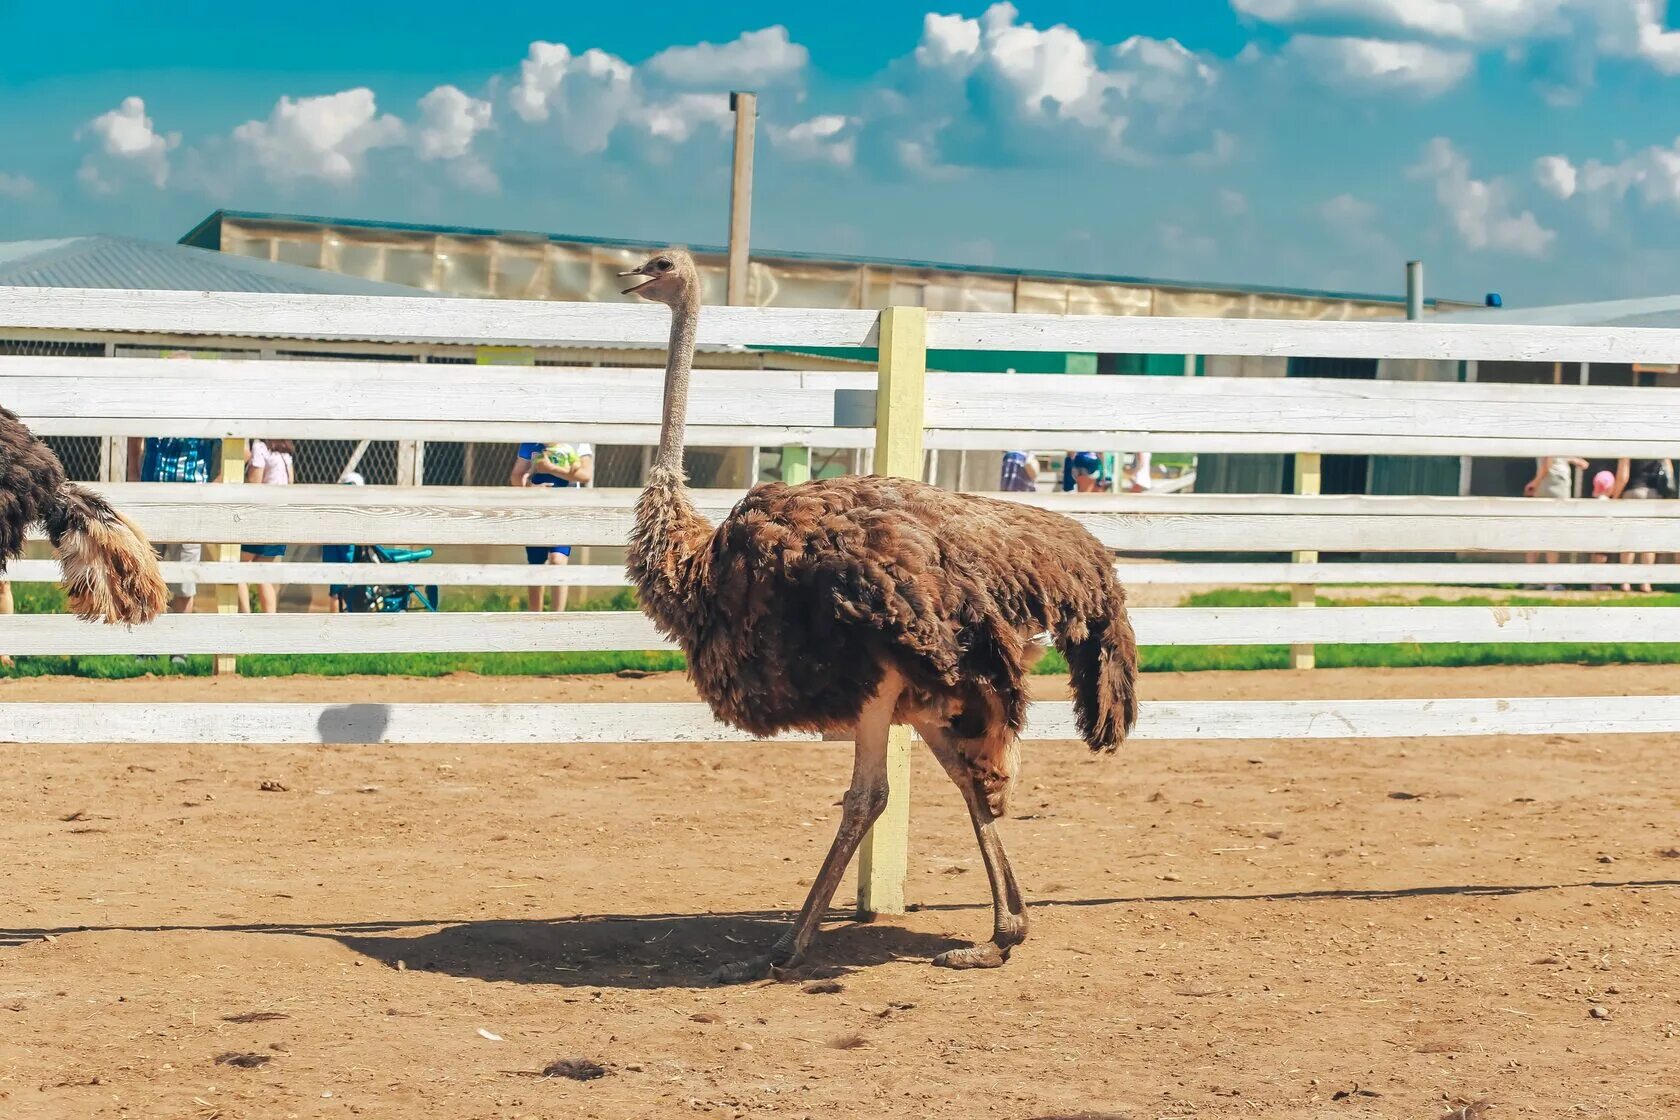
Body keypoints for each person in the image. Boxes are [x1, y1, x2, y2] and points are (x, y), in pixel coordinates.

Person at [135, 435, 220, 615]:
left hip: (189, 503)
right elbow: (134, 435)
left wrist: (210, 491)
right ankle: (146, 639)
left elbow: (240, 452)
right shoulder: (155, 408)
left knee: (184, 585)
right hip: (150, 498)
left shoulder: (206, 412)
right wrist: (132, 473)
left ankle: (178, 640)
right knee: (142, 580)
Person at [511, 439, 594, 611]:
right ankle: (536, 618)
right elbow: (516, 476)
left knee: (558, 560)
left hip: (565, 511)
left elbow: (586, 474)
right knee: (536, 562)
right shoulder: (531, 443)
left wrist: (552, 469)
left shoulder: (577, 442)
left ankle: (558, 617)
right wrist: (530, 487)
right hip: (537, 510)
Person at [239, 438, 295, 614]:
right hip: (281, 518)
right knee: (264, 575)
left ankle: (245, 618)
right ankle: (270, 621)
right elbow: (291, 482)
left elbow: (255, 482)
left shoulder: (260, 447)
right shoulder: (285, 453)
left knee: (238, 569)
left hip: (261, 517)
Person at [1522, 455, 1588, 585]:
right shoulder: (1552, 437)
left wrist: (1573, 459)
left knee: (1538, 531)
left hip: (1548, 483)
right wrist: (1535, 482)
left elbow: (1555, 457)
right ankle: (1551, 581)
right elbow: (1549, 460)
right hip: (1555, 484)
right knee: (1553, 533)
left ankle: (1530, 579)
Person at [1613, 456, 1676, 592]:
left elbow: (1623, 475)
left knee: (1628, 540)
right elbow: (1669, 472)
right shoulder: (1660, 447)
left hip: (1633, 493)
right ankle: (1645, 583)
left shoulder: (1629, 446)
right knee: (1648, 542)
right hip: (1654, 495)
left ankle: (1625, 582)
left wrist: (1615, 497)